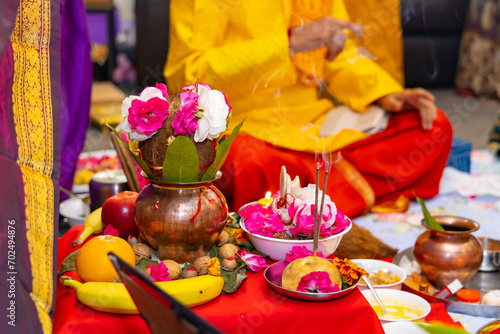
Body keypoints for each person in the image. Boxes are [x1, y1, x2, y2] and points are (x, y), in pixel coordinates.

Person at [164, 1, 452, 217]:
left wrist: (386, 93)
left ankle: (300, 202)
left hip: (314, 122)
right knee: (241, 164)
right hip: (244, 124)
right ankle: (323, 195)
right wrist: (287, 44)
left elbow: (339, 51)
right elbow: (186, 74)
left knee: (431, 126)